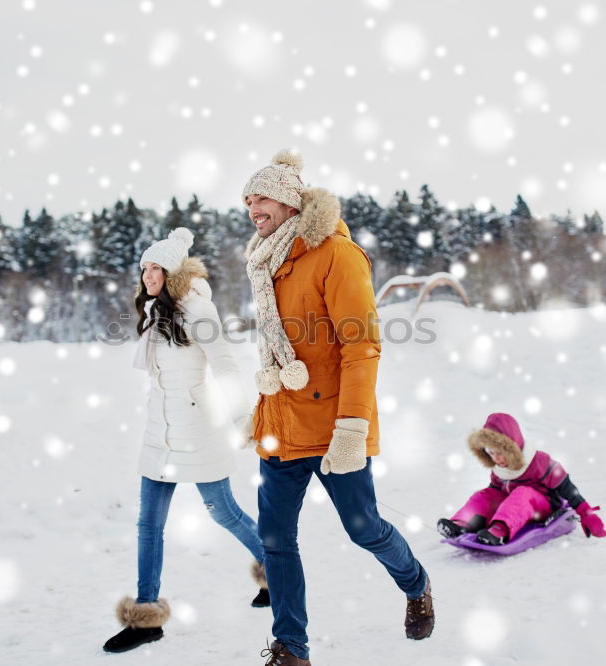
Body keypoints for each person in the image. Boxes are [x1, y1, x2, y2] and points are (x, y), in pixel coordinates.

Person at [241, 150, 434, 666]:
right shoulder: (266, 260)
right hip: (281, 427)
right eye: (248, 200)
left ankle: (416, 582)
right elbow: (279, 347)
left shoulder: (336, 255)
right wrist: (261, 411)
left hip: (332, 427)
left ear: (287, 202)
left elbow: (361, 347)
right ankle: (291, 648)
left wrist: (353, 426)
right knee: (276, 540)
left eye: (261, 198)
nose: (252, 207)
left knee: (363, 527)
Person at [103, 227, 269, 654]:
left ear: (173, 270)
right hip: (160, 432)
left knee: (224, 512)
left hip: (198, 432)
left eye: (156, 267)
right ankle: (145, 618)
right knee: (149, 525)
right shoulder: (157, 313)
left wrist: (241, 417)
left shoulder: (198, 310)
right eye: (144, 268)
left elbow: (226, 365)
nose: (148, 275)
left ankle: (276, 571)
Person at [437, 412, 606, 546]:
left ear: (512, 448)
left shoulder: (539, 462)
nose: (495, 459)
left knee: (522, 493)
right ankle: (463, 523)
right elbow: (494, 493)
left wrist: (586, 513)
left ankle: (500, 530)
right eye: (490, 453)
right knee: (486, 494)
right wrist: (487, 501)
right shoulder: (499, 467)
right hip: (513, 506)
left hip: (542, 508)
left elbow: (567, 488)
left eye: (499, 453)